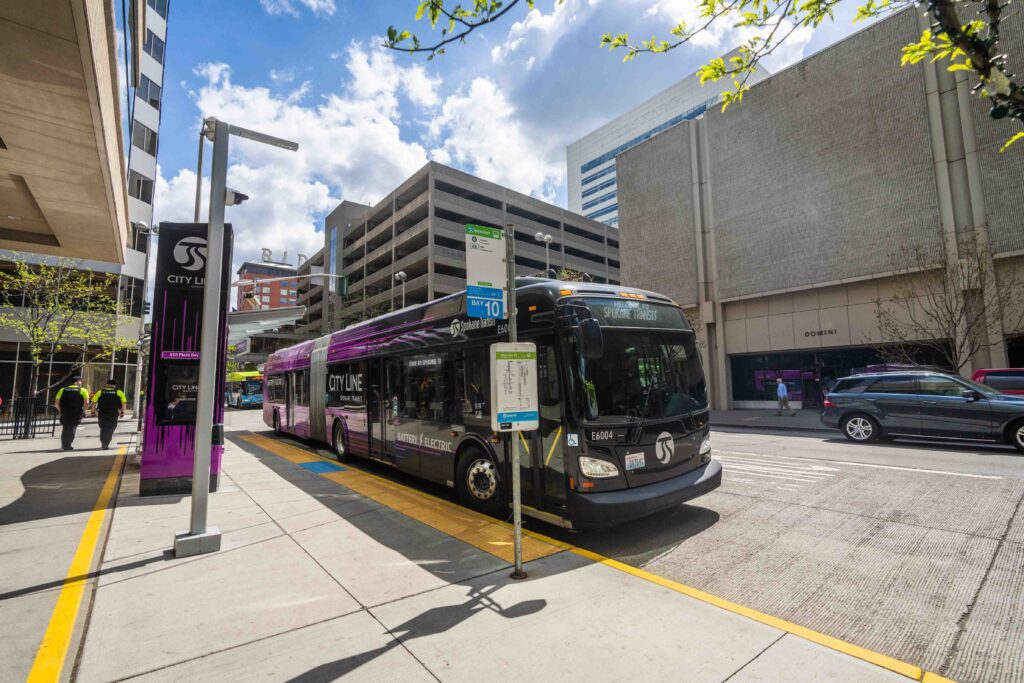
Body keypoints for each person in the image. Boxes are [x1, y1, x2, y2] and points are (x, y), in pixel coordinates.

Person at [54, 375, 90, 451]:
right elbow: (86, 403)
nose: (81, 382)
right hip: (76, 413)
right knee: (72, 428)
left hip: (65, 412)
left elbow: (56, 404)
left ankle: (64, 445)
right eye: (80, 381)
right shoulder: (83, 390)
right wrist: (85, 411)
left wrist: (61, 411)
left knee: (65, 428)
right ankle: (68, 445)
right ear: (77, 382)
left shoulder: (62, 390)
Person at [92, 378, 127, 449]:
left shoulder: (100, 392)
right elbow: (124, 402)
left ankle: (104, 443)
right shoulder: (119, 392)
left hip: (102, 412)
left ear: (107, 385)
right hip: (113, 413)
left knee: (103, 427)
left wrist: (93, 411)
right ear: (115, 386)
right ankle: (106, 442)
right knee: (111, 427)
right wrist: (122, 412)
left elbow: (94, 402)